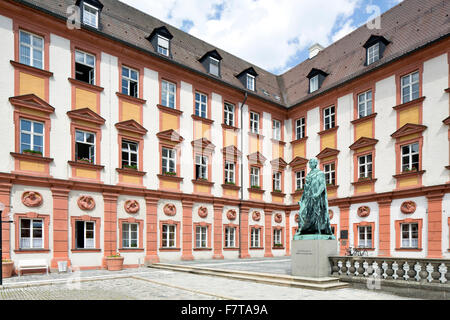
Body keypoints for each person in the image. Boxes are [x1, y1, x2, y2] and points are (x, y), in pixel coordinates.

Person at [294, 158, 335, 239]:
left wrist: (317, 194)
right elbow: (305, 188)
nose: (309, 164)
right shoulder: (309, 174)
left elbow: (322, 185)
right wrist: (301, 199)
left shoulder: (319, 173)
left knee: (315, 214)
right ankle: (302, 230)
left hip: (316, 197)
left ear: (315, 163)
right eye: (309, 163)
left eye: (311, 163)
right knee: (302, 213)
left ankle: (316, 229)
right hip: (307, 197)